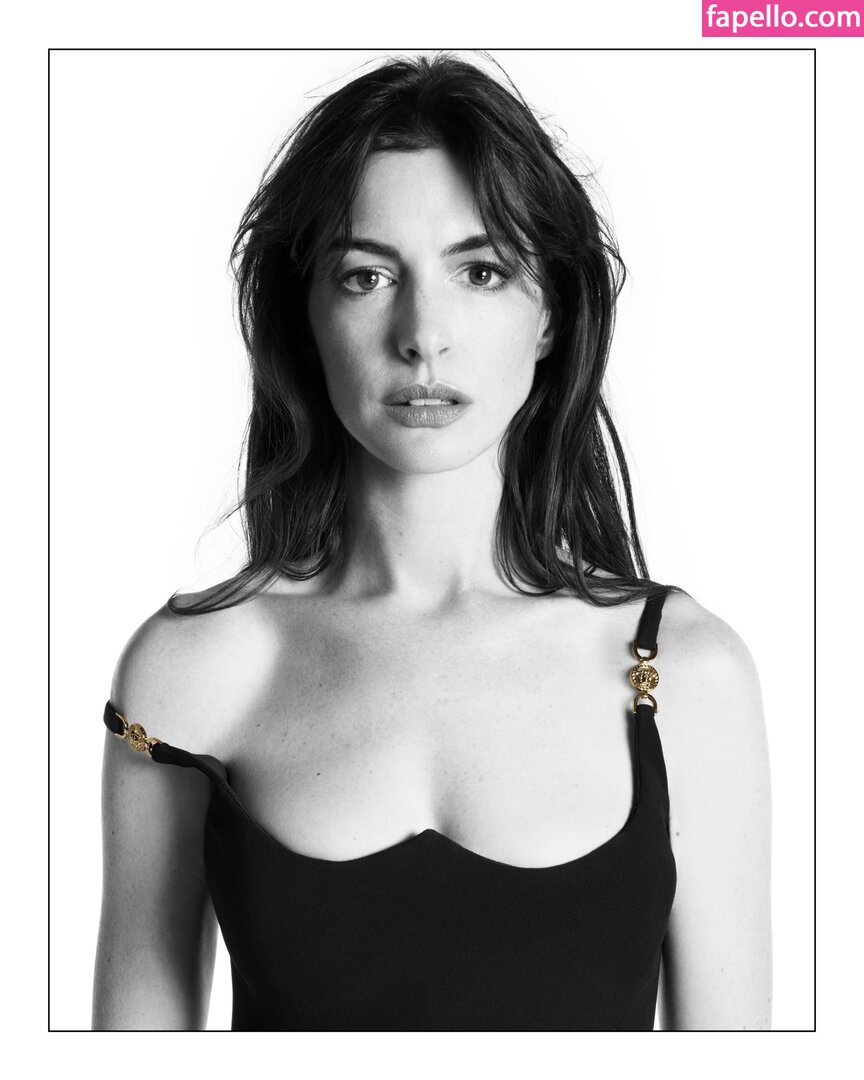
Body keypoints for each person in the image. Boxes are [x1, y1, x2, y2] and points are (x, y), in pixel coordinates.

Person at [92, 53, 772, 1031]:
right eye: (366, 276)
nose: (422, 335)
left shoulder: (684, 674)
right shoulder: (192, 669)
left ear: (551, 313)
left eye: (480, 271)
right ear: (306, 316)